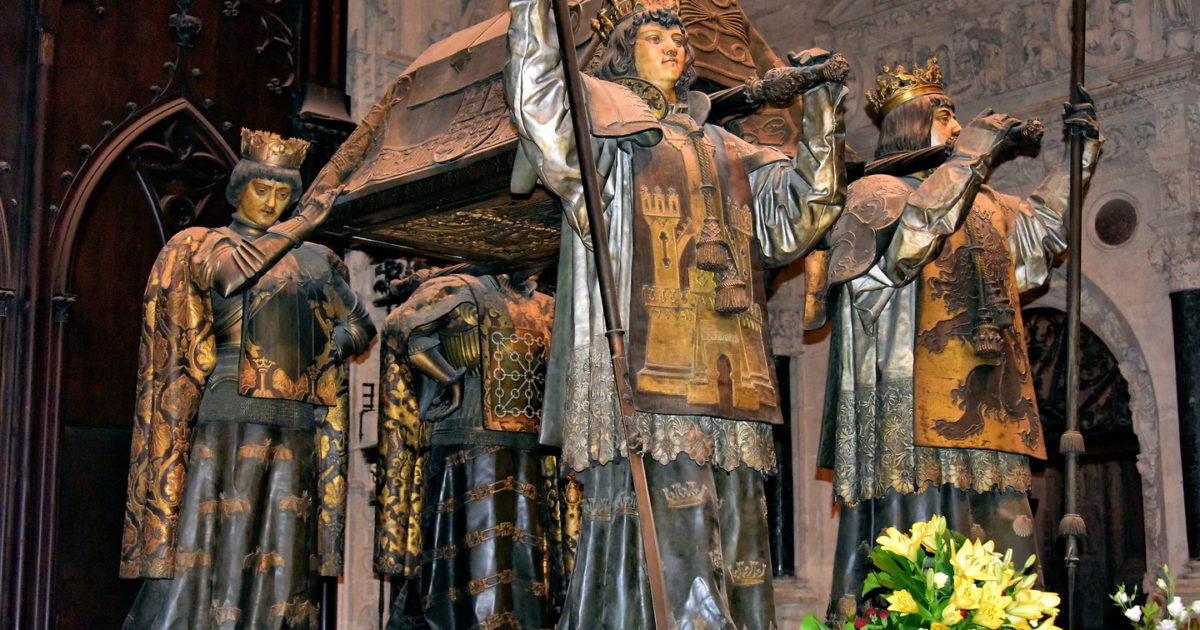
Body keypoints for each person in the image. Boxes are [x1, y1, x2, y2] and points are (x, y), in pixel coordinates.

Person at [504, 0, 847, 626]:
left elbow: (798, 217)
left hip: (731, 375)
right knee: (661, 538)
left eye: (680, 39)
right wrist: (534, 12)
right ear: (622, 50)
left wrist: (822, 110)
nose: (673, 48)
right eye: (655, 36)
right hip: (644, 363)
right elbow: (540, 104)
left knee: (741, 538)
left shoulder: (732, 149)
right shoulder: (604, 129)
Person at [816, 59, 1103, 618]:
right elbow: (904, 252)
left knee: (1001, 547)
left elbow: (1039, 235)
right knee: (925, 556)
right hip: (912, 402)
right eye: (944, 117)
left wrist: (1079, 154)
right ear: (911, 122)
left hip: (990, 405)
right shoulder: (876, 192)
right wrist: (972, 154)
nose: (955, 128)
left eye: (956, 120)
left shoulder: (983, 201)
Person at [121, 129, 375, 629]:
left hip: (297, 419)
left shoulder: (318, 259)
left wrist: (330, 349)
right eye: (263, 190)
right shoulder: (202, 243)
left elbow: (360, 324)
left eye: (284, 194)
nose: (273, 202)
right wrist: (303, 223)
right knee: (216, 541)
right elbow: (234, 276)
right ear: (238, 191)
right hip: (227, 414)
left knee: (285, 544)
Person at [374, 267, 567, 630]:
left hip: (530, 447)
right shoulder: (459, 288)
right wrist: (449, 377)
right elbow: (401, 328)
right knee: (470, 564)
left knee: (525, 562)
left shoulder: (546, 304)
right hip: (467, 438)